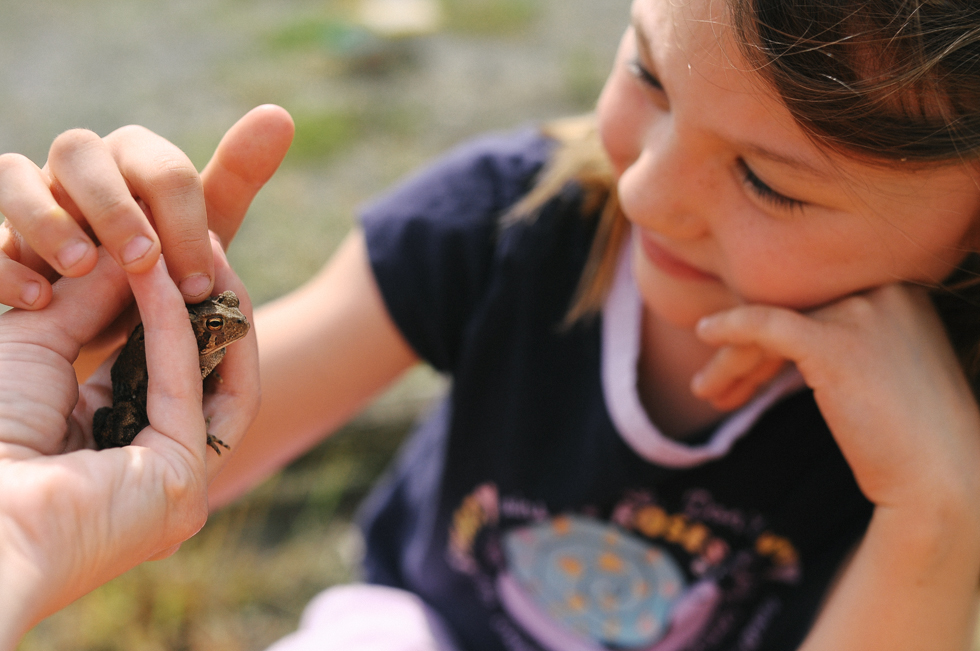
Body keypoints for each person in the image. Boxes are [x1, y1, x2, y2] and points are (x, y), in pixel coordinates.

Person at [2, 0, 980, 648]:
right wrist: (107, 381)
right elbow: (189, 455)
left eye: (768, 181)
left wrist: (936, 514)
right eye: (647, 74)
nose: (644, 191)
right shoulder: (507, 220)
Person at [0, 239, 258, 651]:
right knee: (127, 420)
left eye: (228, 310)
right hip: (129, 397)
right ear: (198, 332)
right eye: (214, 324)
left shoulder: (200, 348)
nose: (231, 321)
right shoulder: (185, 347)